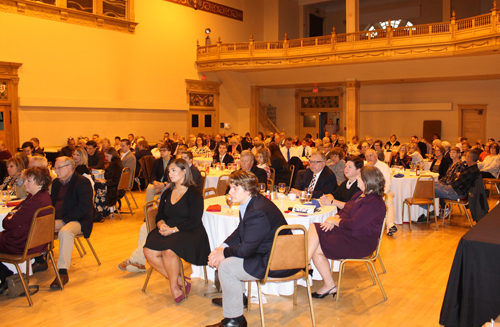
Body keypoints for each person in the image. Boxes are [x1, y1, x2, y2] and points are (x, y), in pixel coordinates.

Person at [206, 170, 297, 327]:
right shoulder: (252, 201)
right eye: (230, 187)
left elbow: (245, 251)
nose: (230, 192)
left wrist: (223, 254)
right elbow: (240, 230)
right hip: (268, 254)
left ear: (247, 189)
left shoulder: (258, 211)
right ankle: (237, 299)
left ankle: (235, 320)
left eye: (235, 188)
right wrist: (221, 248)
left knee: (227, 266)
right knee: (227, 259)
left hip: (275, 261)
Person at [307, 165, 386, 298]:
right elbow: (345, 211)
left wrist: (334, 222)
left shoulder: (373, 202)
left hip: (360, 242)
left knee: (315, 229)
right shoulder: (359, 195)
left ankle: (304, 264)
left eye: (360, 177)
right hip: (349, 234)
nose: (357, 179)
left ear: (367, 181)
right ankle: (325, 282)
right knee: (316, 239)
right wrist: (336, 217)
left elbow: (354, 224)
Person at [144, 159, 210, 303]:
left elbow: (195, 220)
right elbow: (160, 215)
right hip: (169, 228)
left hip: (189, 231)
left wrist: (173, 230)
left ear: (184, 171)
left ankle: (174, 285)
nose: (170, 173)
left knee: (168, 251)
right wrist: (161, 224)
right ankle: (180, 279)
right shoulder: (167, 192)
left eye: (174, 170)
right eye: (169, 171)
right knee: (148, 251)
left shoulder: (194, 193)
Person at [32, 157, 94, 289]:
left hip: (79, 220)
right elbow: (52, 204)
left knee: (65, 232)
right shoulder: (56, 183)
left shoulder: (82, 182)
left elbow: (84, 207)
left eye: (59, 168)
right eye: (55, 167)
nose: (56, 170)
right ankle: (40, 260)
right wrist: (51, 219)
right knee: (35, 225)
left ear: (70, 167)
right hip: (58, 219)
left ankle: (62, 272)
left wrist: (64, 221)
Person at [0, 167, 52, 292]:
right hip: (35, 242)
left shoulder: (36, 201)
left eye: (28, 181)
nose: (24, 183)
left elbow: (8, 223)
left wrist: (9, 216)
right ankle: (7, 277)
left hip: (21, 244)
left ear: (40, 183)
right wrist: (12, 215)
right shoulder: (41, 197)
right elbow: (15, 212)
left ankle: (7, 277)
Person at [434, 150, 481, 219]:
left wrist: (458, 177)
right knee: (433, 185)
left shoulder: (471, 171)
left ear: (470, 158)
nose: (464, 158)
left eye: (466, 156)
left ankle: (431, 210)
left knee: (431, 188)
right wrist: (458, 177)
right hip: (456, 190)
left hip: (457, 193)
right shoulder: (471, 169)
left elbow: (455, 184)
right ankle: (432, 209)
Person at [365, 149, 396, 236]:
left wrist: (380, 194)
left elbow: (387, 184)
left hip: (383, 191)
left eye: (370, 155)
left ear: (376, 156)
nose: (368, 158)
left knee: (389, 199)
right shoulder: (364, 166)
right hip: (368, 192)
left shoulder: (384, 166)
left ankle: (390, 225)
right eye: (367, 156)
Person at [94, 148, 123, 222]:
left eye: (107, 156)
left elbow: (115, 180)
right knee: (98, 183)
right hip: (116, 186)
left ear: (111, 155)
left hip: (114, 188)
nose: (106, 158)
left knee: (97, 185)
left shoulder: (116, 164)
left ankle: (100, 210)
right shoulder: (117, 162)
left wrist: (105, 181)